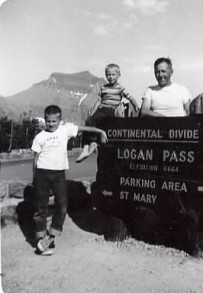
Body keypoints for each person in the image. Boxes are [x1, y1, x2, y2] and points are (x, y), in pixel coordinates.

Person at [31, 105, 108, 255]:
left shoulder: (65, 130)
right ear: (45, 120)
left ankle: (51, 236)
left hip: (59, 175)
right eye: (48, 121)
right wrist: (35, 178)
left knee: (62, 206)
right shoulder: (39, 137)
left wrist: (100, 131)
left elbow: (85, 128)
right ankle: (41, 239)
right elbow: (35, 159)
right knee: (41, 208)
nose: (51, 124)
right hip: (42, 174)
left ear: (60, 120)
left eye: (54, 121)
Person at [76, 63, 139, 162]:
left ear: (119, 75)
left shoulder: (120, 88)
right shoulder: (104, 87)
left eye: (113, 75)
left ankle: (93, 142)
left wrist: (136, 107)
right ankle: (86, 148)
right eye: (108, 75)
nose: (110, 77)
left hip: (112, 110)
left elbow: (130, 98)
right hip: (102, 108)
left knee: (103, 125)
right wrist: (93, 111)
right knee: (89, 121)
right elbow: (98, 101)